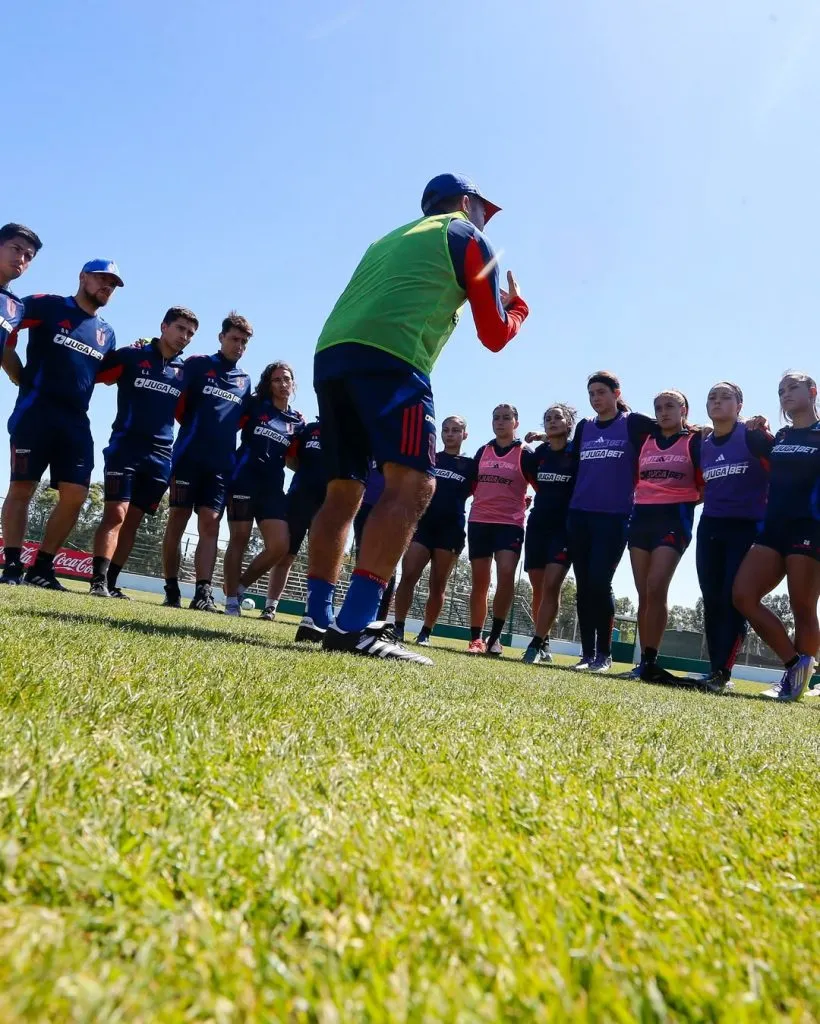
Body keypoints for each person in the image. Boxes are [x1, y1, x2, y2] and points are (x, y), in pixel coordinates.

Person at [303, 172, 529, 662]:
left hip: (332, 354)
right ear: (466, 203)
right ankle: (356, 626)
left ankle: (316, 618)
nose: (486, 219)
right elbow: (493, 334)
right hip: (393, 359)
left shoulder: (388, 238)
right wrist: (518, 309)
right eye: (483, 209)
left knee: (344, 489)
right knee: (414, 487)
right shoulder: (471, 237)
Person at [0, 259, 121, 588]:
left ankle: (41, 567)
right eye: (101, 279)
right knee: (22, 488)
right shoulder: (48, 306)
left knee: (77, 494)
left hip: (76, 423)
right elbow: (5, 327)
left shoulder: (106, 334)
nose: (106, 286)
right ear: (83, 277)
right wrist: (16, 374)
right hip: (34, 413)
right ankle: (11, 566)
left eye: (112, 284)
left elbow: (104, 375)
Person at [88, 310, 198, 598]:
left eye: (190, 333)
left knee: (133, 520)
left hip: (161, 458)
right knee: (115, 513)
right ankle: (97, 581)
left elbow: (187, 415)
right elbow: (93, 373)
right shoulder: (132, 356)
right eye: (180, 328)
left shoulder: (185, 372)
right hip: (125, 448)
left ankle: (111, 582)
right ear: (163, 326)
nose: (183, 336)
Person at [733, 371, 820, 702]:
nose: (785, 394)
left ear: (812, 392)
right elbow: (756, 444)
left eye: (792, 388)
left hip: (809, 527)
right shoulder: (781, 436)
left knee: (802, 605)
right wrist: (756, 426)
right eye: (781, 390)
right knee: (743, 595)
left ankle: (795, 685)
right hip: (773, 528)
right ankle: (796, 665)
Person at [161, 312, 252, 612]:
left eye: (244, 341)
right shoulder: (198, 364)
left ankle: (203, 594)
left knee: (210, 525)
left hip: (221, 464)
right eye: (235, 339)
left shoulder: (244, 381)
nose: (239, 345)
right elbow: (176, 399)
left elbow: (238, 421)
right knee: (177, 521)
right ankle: (171, 587)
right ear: (221, 337)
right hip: (188, 456)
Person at [567, 371, 656, 673]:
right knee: (583, 585)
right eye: (591, 393)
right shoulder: (584, 427)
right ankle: (586, 654)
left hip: (615, 516)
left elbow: (671, 429)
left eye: (601, 392)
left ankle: (604, 655)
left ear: (616, 393)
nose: (596, 399)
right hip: (579, 514)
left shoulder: (632, 422)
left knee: (599, 582)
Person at [695, 382, 772, 693]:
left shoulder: (753, 436)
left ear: (739, 405)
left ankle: (722, 673)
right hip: (710, 526)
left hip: (747, 526)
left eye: (725, 397)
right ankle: (715, 670)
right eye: (712, 397)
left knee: (732, 598)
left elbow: (780, 471)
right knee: (711, 600)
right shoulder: (702, 442)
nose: (717, 402)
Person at [628, 391, 702, 683]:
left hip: (674, 519)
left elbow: (705, 485)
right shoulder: (645, 440)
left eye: (670, 406)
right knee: (644, 593)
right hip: (641, 519)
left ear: (684, 409)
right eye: (658, 407)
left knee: (657, 586)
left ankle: (652, 658)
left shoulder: (695, 441)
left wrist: (681, 500)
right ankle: (644, 663)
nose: (663, 411)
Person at [222, 362, 304, 615]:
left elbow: (293, 461)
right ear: (269, 384)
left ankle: (239, 587)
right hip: (243, 480)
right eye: (277, 379)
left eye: (286, 379)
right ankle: (231, 603)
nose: (282, 384)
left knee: (280, 545)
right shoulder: (255, 406)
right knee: (239, 539)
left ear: (293, 383)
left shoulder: (297, 421)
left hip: (272, 488)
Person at [392, 415, 475, 646]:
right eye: (446, 430)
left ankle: (426, 633)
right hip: (422, 526)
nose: (450, 434)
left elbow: (481, 492)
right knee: (408, 576)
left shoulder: (470, 466)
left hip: (451, 529)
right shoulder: (430, 459)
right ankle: (398, 627)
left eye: (456, 430)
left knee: (438, 584)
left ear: (464, 434)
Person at [467, 404, 536, 656]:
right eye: (496, 417)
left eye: (507, 418)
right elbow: (472, 484)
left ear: (516, 422)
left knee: (506, 575)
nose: (501, 422)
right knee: (480, 581)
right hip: (480, 522)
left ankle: (494, 637)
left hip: (510, 524)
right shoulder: (482, 451)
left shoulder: (525, 453)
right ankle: (476, 639)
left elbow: (541, 486)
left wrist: (527, 503)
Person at [521, 404, 577, 665]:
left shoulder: (576, 451)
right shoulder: (537, 455)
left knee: (552, 586)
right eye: (548, 419)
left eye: (558, 418)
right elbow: (531, 479)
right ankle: (542, 639)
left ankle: (535, 643)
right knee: (538, 588)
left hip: (564, 529)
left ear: (569, 423)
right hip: (538, 526)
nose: (552, 421)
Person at [260, 417, 325, 621]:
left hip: (327, 504)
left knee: (321, 561)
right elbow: (291, 461)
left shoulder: (345, 433)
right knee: (286, 555)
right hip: (299, 499)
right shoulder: (309, 430)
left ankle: (312, 612)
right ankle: (270, 607)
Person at [0, 224, 42, 364]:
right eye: (16, 249)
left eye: (28, 256)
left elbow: (6, 351)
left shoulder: (16, 307)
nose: (21, 259)